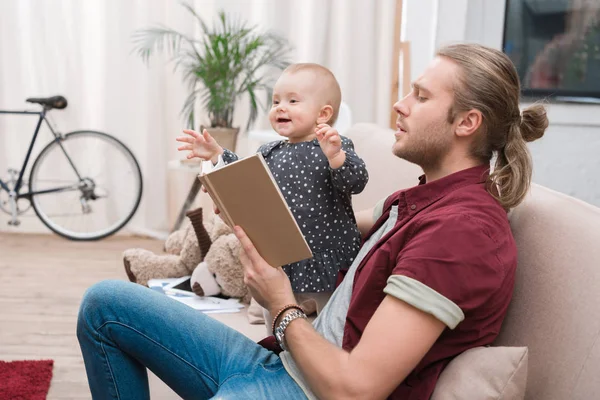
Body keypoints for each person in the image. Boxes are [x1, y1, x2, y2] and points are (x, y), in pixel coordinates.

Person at [77, 43, 548, 399]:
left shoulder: (462, 233)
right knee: (105, 304)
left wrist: (281, 304)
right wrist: (250, 213)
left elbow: (356, 388)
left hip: (306, 390)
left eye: (420, 96)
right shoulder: (424, 200)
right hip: (284, 362)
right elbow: (346, 226)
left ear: (467, 123)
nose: (400, 105)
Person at [175, 63, 368, 330]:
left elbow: (356, 181)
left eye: (292, 101)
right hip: (282, 251)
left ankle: (330, 353)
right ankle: (274, 345)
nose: (280, 107)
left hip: (326, 251)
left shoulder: (335, 146)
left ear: (323, 114)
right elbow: (243, 175)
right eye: (276, 101)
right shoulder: (270, 150)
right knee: (274, 305)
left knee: (332, 314)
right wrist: (217, 154)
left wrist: (335, 157)